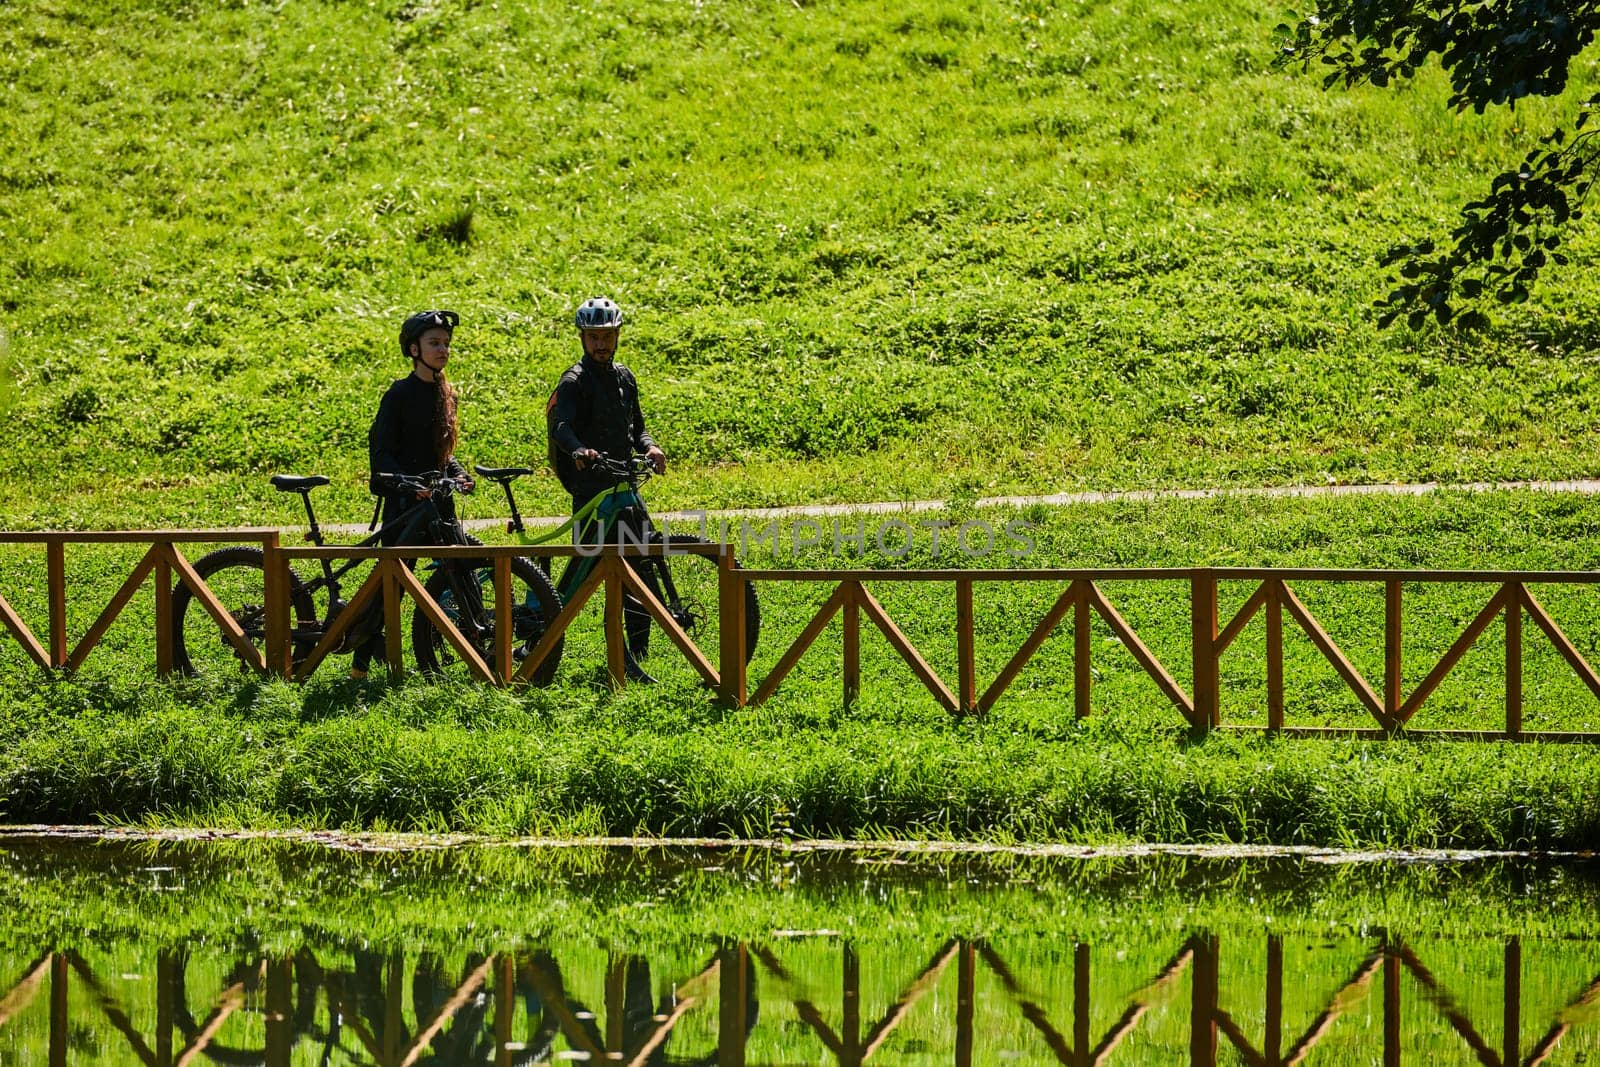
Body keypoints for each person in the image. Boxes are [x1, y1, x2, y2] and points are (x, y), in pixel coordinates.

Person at [351, 308, 474, 678]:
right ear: (413, 349)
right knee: (392, 584)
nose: (443, 350)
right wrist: (406, 481)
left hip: (439, 503)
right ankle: (360, 660)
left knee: (462, 571)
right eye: (434, 343)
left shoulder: (446, 393)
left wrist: (459, 473)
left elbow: (443, 454)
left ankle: (465, 647)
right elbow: (382, 452)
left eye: (446, 344)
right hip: (406, 503)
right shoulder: (399, 394)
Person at [545, 296, 666, 525]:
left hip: (624, 484)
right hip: (590, 488)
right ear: (582, 337)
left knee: (648, 551)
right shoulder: (573, 381)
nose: (601, 344)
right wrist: (579, 450)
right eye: (593, 337)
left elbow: (637, 429)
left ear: (617, 335)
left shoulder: (625, 377)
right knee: (591, 557)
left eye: (607, 336)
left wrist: (651, 447)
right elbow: (561, 428)